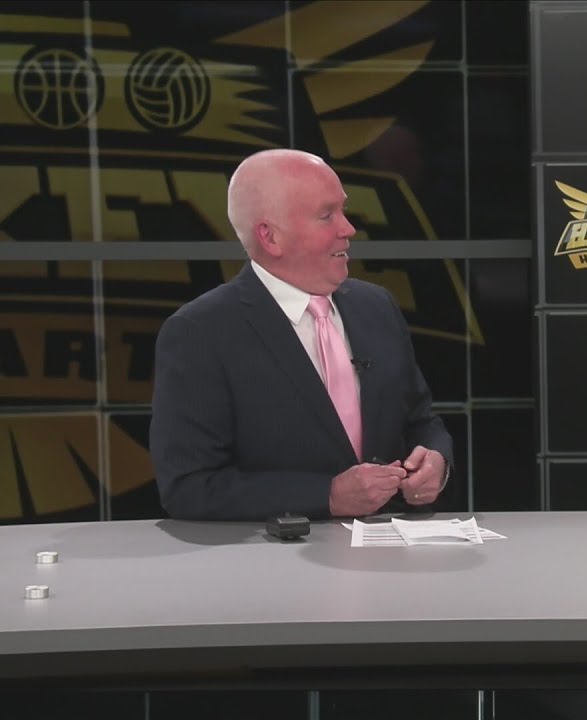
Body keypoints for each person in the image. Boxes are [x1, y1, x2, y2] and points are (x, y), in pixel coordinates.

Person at [150, 148, 453, 521]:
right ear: (270, 237)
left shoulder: (377, 307)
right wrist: (326, 496)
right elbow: (189, 487)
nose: (348, 229)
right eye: (327, 215)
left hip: (391, 544)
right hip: (280, 552)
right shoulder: (201, 332)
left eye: (342, 210)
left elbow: (421, 420)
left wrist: (436, 459)